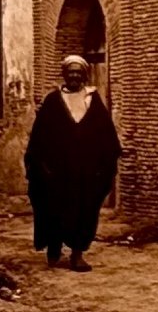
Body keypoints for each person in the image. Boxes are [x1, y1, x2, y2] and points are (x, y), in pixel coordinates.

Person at [24, 54, 122, 272]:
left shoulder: (93, 101)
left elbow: (106, 134)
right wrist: (41, 165)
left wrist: (103, 164)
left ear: (84, 75)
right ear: (64, 75)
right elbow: (39, 137)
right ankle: (54, 246)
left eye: (78, 73)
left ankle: (77, 254)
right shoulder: (53, 101)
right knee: (55, 208)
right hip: (57, 171)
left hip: (85, 171)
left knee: (85, 210)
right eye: (71, 72)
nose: (74, 76)